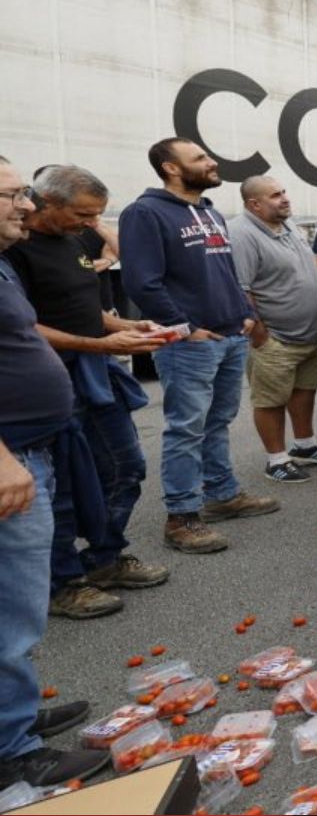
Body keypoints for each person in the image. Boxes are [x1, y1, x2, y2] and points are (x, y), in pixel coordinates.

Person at [5, 166, 168, 619]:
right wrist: (101, 344)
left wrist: (127, 325)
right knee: (58, 487)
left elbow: (86, 309)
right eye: (82, 213)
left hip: (94, 374)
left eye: (96, 215)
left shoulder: (73, 240)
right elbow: (26, 325)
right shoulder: (16, 250)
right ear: (45, 203)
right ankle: (64, 581)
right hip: (53, 382)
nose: (89, 222)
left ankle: (105, 559)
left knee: (124, 467)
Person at [0, 157, 112, 787]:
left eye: (24, 194)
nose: (26, 205)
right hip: (10, 458)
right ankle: (11, 750)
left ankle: (12, 718)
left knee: (16, 606)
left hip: (28, 449)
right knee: (9, 608)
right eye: (12, 195)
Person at [119, 138, 279, 555]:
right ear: (171, 168)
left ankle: (222, 494)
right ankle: (182, 517)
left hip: (229, 334)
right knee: (186, 428)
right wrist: (183, 328)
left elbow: (223, 271)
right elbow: (141, 281)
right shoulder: (145, 212)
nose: (212, 163)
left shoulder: (210, 212)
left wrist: (243, 313)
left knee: (217, 421)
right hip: (191, 342)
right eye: (200, 159)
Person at [231, 176, 317, 485]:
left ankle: (305, 445)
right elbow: (241, 289)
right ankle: (277, 459)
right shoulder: (242, 235)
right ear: (254, 204)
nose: (284, 199)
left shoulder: (287, 224)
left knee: (304, 391)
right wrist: (261, 335)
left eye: (284, 192)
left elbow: (306, 265)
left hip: (309, 335)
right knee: (270, 400)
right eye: (275, 195)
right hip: (277, 337)